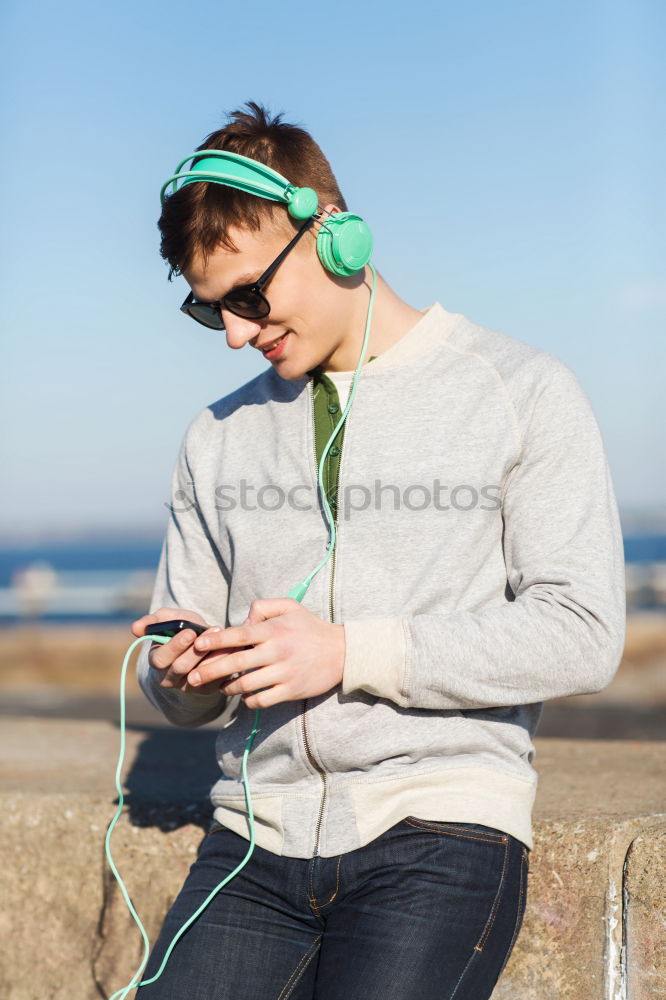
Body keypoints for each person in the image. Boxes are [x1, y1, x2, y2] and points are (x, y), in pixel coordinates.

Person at [131, 100, 626, 999]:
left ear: (334, 234)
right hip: (250, 845)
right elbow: (178, 659)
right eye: (211, 314)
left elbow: (583, 631)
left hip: (441, 833)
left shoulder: (521, 391)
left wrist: (349, 651)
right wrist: (177, 676)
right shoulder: (216, 436)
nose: (238, 332)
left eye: (248, 296)